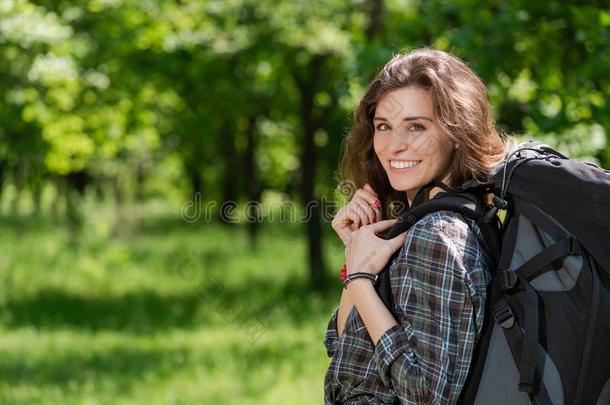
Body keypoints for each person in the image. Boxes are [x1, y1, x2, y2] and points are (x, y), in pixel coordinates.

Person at [323, 47, 507, 404]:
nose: (394, 145)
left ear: (457, 131)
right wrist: (358, 251)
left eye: (417, 126)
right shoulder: (420, 223)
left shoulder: (437, 233)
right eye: (383, 127)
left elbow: (426, 396)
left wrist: (361, 281)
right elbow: (344, 351)